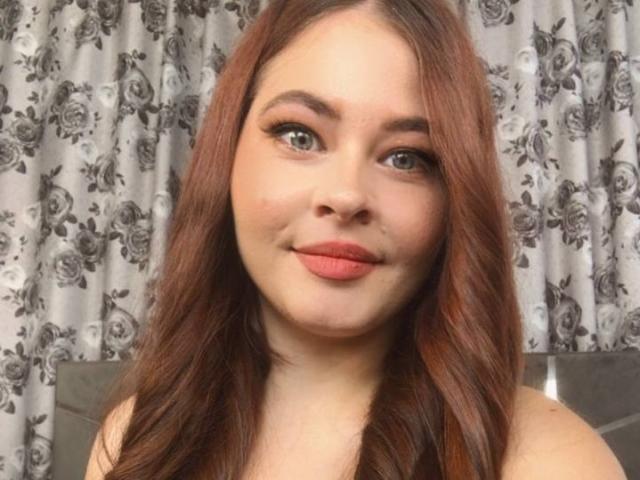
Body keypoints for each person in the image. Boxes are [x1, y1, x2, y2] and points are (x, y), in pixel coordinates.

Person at [84, 0, 627, 479]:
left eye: (406, 158)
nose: (346, 196)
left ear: (455, 200)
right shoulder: (132, 437)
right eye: (300, 136)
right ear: (226, 155)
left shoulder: (551, 460)